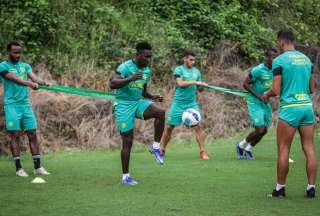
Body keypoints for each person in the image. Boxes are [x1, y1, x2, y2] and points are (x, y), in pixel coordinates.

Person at [263, 30, 317, 198]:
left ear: (281, 41)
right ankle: (311, 188)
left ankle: (280, 189)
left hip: (290, 109)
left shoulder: (279, 60)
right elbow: (312, 89)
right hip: (307, 107)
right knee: (309, 148)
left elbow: (276, 90)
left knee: (284, 148)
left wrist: (266, 94)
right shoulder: (307, 60)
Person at [110, 42, 165, 186]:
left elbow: (143, 91)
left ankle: (155, 147)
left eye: (150, 57)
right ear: (138, 54)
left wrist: (153, 97)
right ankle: (125, 177)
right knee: (128, 141)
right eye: (146, 56)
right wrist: (130, 78)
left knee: (160, 112)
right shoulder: (125, 67)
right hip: (123, 105)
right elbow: (112, 84)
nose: (149, 59)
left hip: (137, 102)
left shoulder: (147, 70)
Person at [0, 41, 51, 177]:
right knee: (15, 135)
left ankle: (37, 167)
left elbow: (34, 77)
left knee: (32, 134)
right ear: (8, 52)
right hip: (11, 106)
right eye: (15, 52)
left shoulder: (25, 66)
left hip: (25, 105)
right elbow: (14, 79)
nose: (18, 55)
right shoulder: (3, 66)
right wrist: (30, 84)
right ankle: (18, 168)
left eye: (20, 52)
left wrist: (43, 82)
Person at [160, 50, 209, 159]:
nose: (193, 62)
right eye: (191, 60)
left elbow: (199, 90)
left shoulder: (197, 72)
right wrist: (195, 82)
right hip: (178, 104)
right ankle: (162, 149)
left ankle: (203, 152)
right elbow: (180, 84)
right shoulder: (179, 69)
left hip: (191, 104)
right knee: (169, 127)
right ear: (185, 59)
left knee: (198, 127)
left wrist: (202, 86)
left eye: (194, 60)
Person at [236, 48, 278, 160]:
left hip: (265, 102)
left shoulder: (276, 70)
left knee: (264, 131)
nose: (275, 59)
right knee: (260, 129)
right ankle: (241, 145)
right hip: (254, 101)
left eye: (276, 57)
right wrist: (260, 96)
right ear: (267, 57)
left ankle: (248, 148)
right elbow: (245, 84)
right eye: (273, 57)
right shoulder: (258, 70)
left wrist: (269, 96)